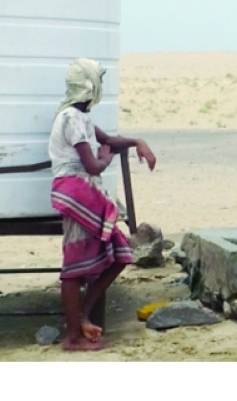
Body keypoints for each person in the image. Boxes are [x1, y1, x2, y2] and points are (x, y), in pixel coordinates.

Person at [48, 58, 157, 352]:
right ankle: (73, 337)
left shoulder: (80, 118)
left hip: (85, 192)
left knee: (120, 253)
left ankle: (81, 316)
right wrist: (106, 159)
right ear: (90, 85)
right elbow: (93, 165)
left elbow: (107, 139)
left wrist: (137, 142)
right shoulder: (71, 118)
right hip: (75, 193)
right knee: (74, 265)